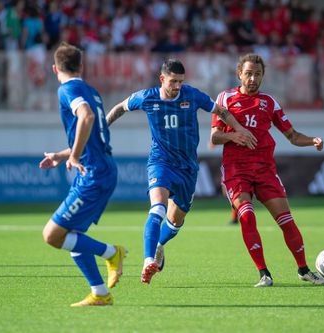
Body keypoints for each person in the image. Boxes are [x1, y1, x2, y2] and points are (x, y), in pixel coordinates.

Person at [106, 58, 256, 284]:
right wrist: (101, 130)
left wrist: (240, 128)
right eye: (173, 81)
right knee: (157, 207)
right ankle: (148, 261)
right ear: (162, 79)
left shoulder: (192, 95)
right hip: (161, 162)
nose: (177, 86)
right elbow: (119, 108)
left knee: (175, 221)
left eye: (180, 81)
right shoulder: (147, 97)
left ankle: (159, 245)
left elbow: (221, 111)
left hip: (187, 167)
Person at [211, 53, 324, 287]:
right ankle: (264, 273)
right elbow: (214, 136)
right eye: (248, 74)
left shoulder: (269, 103)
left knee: (286, 220)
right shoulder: (225, 98)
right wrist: (235, 135)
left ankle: (303, 270)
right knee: (246, 215)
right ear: (239, 74)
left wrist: (312, 140)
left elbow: (292, 136)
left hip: (264, 170)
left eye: (258, 74)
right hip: (236, 169)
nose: (253, 79)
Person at [40, 42, 126, 306]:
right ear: (82, 66)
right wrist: (62, 154)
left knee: (53, 235)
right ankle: (100, 293)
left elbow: (85, 117)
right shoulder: (91, 90)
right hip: (101, 168)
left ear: (55, 68)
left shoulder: (68, 89)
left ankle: (112, 253)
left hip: (94, 173)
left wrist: (75, 156)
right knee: (72, 236)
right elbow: (93, 135)